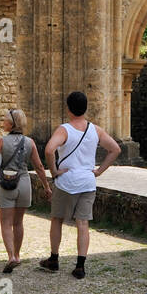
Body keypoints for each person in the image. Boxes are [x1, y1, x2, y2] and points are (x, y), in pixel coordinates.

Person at [39, 91, 120, 279]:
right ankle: (80, 266)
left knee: (57, 219)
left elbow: (50, 150)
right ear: (85, 108)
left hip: (66, 182)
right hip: (87, 182)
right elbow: (115, 149)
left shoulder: (64, 129)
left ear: (68, 109)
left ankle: (54, 259)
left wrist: (54, 172)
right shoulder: (95, 130)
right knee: (83, 223)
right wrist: (99, 171)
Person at [0, 109, 51, 274]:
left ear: (11, 124)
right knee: (18, 222)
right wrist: (46, 186)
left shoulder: (1, 141)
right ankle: (18, 253)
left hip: (7, 184)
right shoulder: (30, 142)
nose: (3, 123)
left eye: (5, 120)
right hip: (23, 183)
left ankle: (11, 257)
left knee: (6, 223)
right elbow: (38, 166)